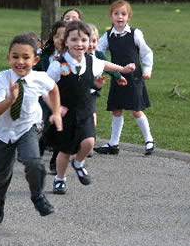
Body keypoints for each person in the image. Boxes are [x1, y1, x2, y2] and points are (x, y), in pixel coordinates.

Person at [44, 21, 135, 195]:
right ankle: (59, 179)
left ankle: (78, 163)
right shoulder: (58, 65)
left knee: (89, 142)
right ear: (66, 42)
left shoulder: (92, 61)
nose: (79, 44)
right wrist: (55, 109)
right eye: (74, 40)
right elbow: (44, 91)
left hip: (85, 111)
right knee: (65, 151)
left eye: (84, 40)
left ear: (89, 42)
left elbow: (106, 65)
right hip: (65, 115)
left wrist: (123, 69)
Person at [0, 33, 62, 224]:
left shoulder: (40, 78)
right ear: (8, 58)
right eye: (15, 57)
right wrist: (10, 99)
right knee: (2, 173)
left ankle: (38, 197)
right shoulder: (1, 79)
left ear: (35, 60)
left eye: (26, 57)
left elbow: (53, 89)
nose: (20, 61)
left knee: (33, 161)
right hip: (3, 132)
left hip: (27, 128)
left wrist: (56, 112)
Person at [94, 0, 155, 156]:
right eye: (116, 14)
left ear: (129, 17)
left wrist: (147, 70)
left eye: (123, 14)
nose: (119, 17)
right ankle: (114, 144)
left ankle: (149, 140)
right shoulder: (108, 36)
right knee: (116, 109)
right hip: (117, 77)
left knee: (136, 110)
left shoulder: (135, 34)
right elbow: (98, 51)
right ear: (111, 16)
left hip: (134, 78)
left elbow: (146, 53)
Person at [33, 21, 67, 175]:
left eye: (64, 36)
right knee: (49, 129)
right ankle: (39, 149)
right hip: (47, 99)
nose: (60, 39)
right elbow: (32, 71)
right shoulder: (46, 57)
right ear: (52, 38)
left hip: (66, 100)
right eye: (57, 35)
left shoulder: (74, 57)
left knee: (62, 132)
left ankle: (54, 161)